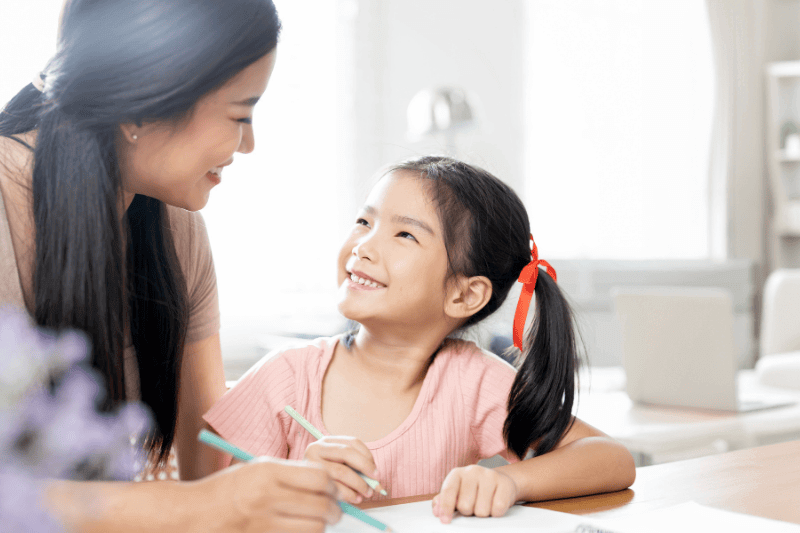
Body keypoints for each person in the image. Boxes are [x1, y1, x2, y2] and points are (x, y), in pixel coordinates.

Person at [0, 0, 341, 531]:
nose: (248, 144)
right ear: (143, 105)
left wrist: (294, 475)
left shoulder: (176, 232)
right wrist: (209, 506)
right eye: (240, 115)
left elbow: (209, 461)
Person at [204, 155, 637, 523]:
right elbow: (210, 504)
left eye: (404, 234)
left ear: (464, 294)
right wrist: (292, 483)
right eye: (363, 221)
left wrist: (507, 480)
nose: (363, 246)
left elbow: (611, 459)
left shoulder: (473, 382)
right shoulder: (286, 376)